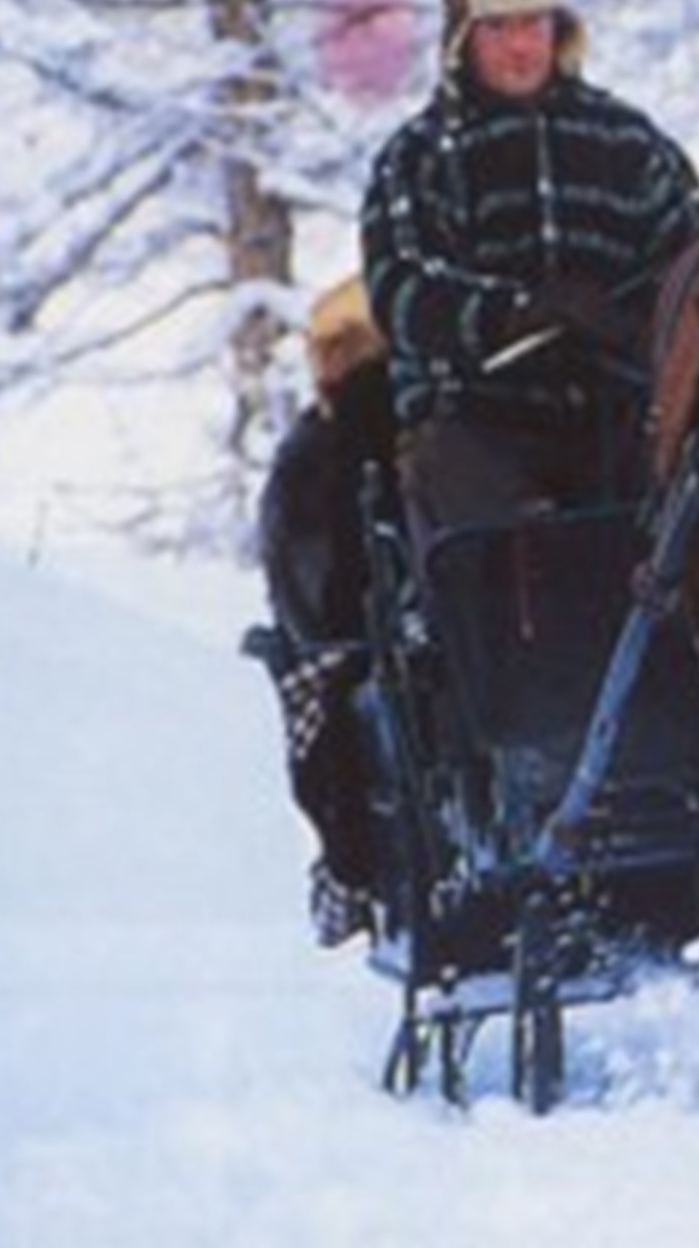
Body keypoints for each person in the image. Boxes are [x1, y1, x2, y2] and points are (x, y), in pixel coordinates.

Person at [360, 0, 699, 554]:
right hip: (477, 423)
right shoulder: (418, 158)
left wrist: (631, 326)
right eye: (498, 28)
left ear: (561, 30)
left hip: (624, 415)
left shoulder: (630, 142)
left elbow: (698, 269)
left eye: (534, 24)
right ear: (462, 39)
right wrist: (517, 314)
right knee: (511, 558)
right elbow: (401, 292)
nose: (521, 46)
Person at [254, 274, 398, 948]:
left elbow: (309, 598)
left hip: (361, 658)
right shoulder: (431, 424)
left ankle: (353, 880)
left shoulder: (313, 454)